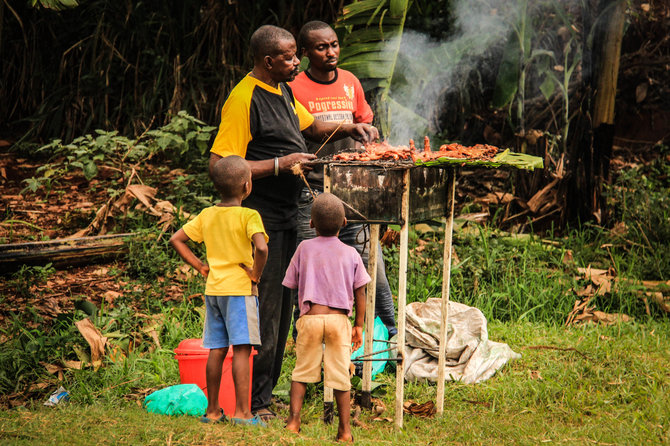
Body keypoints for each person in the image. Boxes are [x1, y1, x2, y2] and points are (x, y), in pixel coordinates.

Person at [207, 24, 379, 420]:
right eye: (289, 56)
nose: (297, 61)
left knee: (284, 310)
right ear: (268, 61)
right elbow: (219, 165)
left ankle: (265, 395)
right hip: (257, 219)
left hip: (288, 214)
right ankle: (256, 404)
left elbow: (311, 128)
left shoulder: (283, 89)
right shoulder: (244, 98)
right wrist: (278, 164)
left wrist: (349, 127)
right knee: (263, 309)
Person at [291, 20, 397, 338]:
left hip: (353, 186)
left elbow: (366, 123)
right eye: (322, 47)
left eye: (334, 44)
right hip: (313, 189)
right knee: (311, 263)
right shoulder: (295, 86)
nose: (331, 51)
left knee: (366, 261)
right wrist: (347, 128)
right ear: (306, 52)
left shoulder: (350, 81)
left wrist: (372, 140)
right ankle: (305, 338)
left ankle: (390, 331)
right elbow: (305, 131)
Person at [169, 155, 269, 426]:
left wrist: (201, 266)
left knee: (215, 349)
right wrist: (256, 275)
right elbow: (261, 248)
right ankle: (243, 413)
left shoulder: (207, 215)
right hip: (240, 291)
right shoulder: (249, 215)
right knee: (241, 350)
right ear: (247, 186)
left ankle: (212, 411)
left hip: (214, 290)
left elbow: (176, 238)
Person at [282, 193, 368, 442]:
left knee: (301, 372)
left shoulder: (303, 248)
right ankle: (344, 431)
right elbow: (360, 290)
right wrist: (359, 325)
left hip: (310, 318)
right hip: (339, 322)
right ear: (344, 222)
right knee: (341, 375)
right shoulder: (351, 253)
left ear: (310, 223)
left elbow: (291, 283)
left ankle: (293, 422)